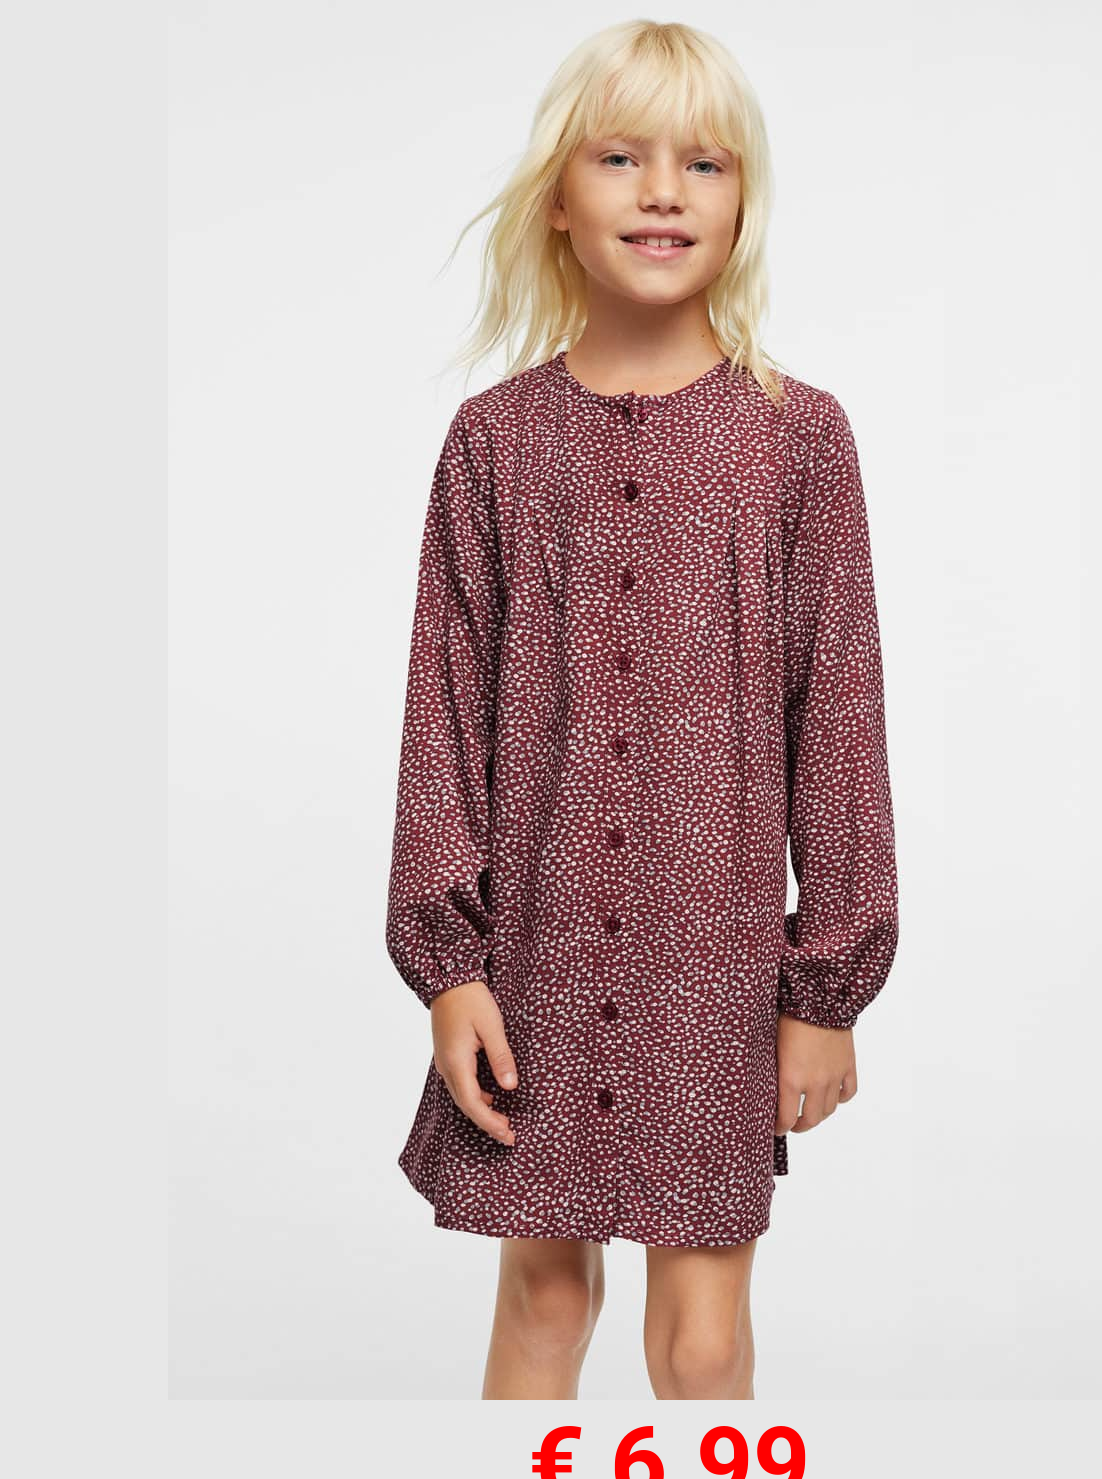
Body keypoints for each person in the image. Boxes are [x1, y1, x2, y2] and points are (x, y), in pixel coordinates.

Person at [384, 19, 898, 1400]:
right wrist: (449, 966)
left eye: (704, 163)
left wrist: (826, 985)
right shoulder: (494, 442)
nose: (664, 191)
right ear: (559, 198)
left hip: (713, 962)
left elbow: (838, 717)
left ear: (743, 202)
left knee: (703, 1334)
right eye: (620, 158)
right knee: (543, 1295)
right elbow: (444, 716)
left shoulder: (798, 438)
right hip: (534, 950)